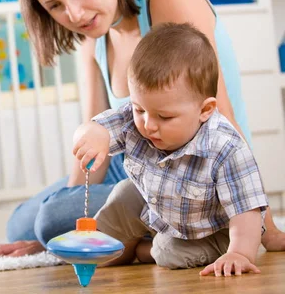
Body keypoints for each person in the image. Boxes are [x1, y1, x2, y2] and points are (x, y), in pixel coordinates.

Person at [0, 0, 285, 259]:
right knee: (24, 224)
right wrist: (61, 226)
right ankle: (127, 237)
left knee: (52, 218)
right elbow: (95, 137)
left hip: (191, 168)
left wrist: (266, 227)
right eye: (54, 5)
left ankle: (149, 245)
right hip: (135, 160)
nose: (74, 14)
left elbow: (222, 115)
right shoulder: (93, 32)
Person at [74, 22, 266, 276]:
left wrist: (239, 253)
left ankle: (145, 250)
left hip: (212, 231)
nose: (148, 125)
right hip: (164, 210)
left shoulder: (226, 148)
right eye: (139, 109)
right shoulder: (137, 120)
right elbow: (96, 127)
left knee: (166, 251)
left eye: (164, 117)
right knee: (123, 194)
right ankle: (114, 247)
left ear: (205, 110)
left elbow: (247, 212)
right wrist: (92, 136)